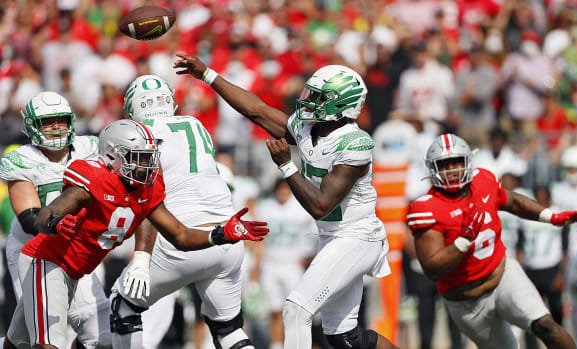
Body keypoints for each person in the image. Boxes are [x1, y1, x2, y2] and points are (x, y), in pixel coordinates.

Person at [174, 55, 398, 349]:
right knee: (345, 339)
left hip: (357, 237)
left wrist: (286, 165)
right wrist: (207, 75)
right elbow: (255, 110)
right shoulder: (309, 130)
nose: (309, 101)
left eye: (319, 97)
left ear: (342, 104)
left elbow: (320, 205)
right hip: (333, 237)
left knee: (296, 309)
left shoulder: (354, 143)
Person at [4, 118, 268, 349]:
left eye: (149, 156)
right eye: (139, 157)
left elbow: (181, 236)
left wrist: (221, 234)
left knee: (20, 341)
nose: (147, 164)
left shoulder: (146, 188)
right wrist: (55, 223)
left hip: (77, 270)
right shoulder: (95, 179)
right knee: (49, 343)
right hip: (47, 261)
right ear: (111, 156)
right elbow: (48, 212)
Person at [111, 74, 263, 349]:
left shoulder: (140, 134)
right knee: (229, 330)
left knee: (123, 306)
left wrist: (141, 257)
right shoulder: (195, 124)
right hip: (227, 240)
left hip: (180, 240)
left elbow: (147, 197)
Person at [406, 133, 577, 349]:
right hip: (466, 302)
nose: (453, 169)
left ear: (468, 162)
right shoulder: (427, 208)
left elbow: (513, 201)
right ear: (433, 168)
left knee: (546, 325)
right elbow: (432, 268)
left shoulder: (483, 180)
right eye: (445, 164)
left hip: (502, 276)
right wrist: (464, 241)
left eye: (457, 161)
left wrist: (551, 216)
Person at [0, 91, 111, 349]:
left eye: (61, 119)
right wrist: (60, 224)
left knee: (101, 335)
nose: (56, 127)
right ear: (31, 126)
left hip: (78, 247)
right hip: (34, 249)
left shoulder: (92, 148)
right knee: (44, 332)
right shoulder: (22, 159)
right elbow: (30, 220)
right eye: (47, 122)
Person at [255, 179, 317, 349]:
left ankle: (296, 344)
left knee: (296, 310)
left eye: (285, 189)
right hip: (271, 263)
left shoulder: (300, 208)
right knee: (274, 310)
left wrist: (308, 257)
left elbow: (314, 233)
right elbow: (260, 239)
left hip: (292, 265)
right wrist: (257, 264)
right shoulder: (266, 207)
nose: (282, 193)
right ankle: (275, 345)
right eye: (280, 189)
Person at [551, 145, 577, 349]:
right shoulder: (558, 190)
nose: (572, 173)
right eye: (569, 168)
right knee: (574, 303)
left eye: (576, 168)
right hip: (567, 252)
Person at [517, 186, 567, 349]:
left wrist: (561, 273)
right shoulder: (526, 216)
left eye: (543, 197)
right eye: (537, 198)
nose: (540, 201)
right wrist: (521, 271)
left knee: (556, 313)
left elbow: (565, 248)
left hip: (551, 269)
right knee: (530, 315)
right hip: (531, 269)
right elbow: (519, 246)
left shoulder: (557, 214)